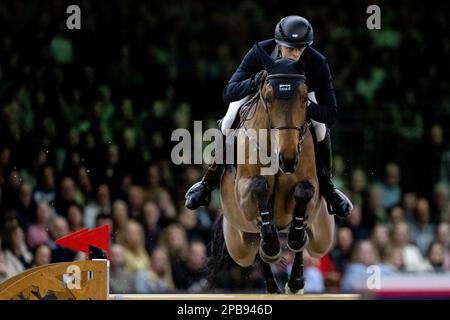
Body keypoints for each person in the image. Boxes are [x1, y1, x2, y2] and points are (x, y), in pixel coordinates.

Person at [185, 15, 352, 218]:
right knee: (228, 120)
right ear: (279, 45)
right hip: (263, 91)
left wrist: (304, 106)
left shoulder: (316, 62)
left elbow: (331, 113)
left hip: (301, 97)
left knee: (320, 128)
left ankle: (328, 187)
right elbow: (229, 91)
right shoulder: (260, 52)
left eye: (301, 48)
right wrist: (255, 81)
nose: (296, 54)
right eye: (291, 48)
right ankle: (208, 182)